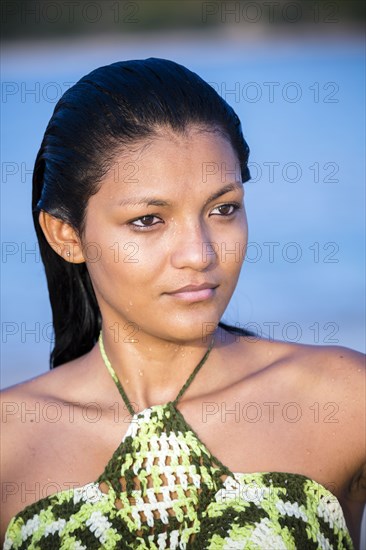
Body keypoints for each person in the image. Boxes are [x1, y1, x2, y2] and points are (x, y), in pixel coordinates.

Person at [0, 58, 364, 550]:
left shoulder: (343, 401)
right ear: (67, 235)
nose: (200, 254)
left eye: (223, 209)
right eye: (148, 220)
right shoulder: (10, 442)